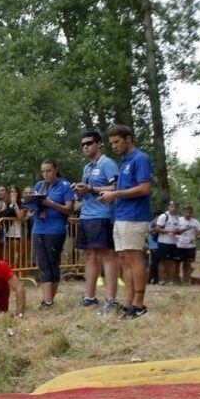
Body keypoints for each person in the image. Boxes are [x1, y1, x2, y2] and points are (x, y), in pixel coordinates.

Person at [98, 124, 152, 318]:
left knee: (134, 258)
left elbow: (145, 188)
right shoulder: (124, 161)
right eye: (111, 143)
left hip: (135, 216)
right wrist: (107, 193)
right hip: (121, 216)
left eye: (117, 142)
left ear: (128, 139)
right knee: (124, 259)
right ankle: (128, 301)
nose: (114, 146)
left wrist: (117, 194)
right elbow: (123, 188)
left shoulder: (140, 158)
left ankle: (139, 304)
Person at [71, 131, 120, 314]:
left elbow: (116, 188)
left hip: (103, 215)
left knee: (107, 255)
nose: (85, 147)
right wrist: (79, 191)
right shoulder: (87, 167)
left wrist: (91, 188)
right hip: (86, 215)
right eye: (83, 144)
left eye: (89, 143)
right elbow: (88, 191)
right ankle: (90, 297)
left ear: (99, 144)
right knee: (90, 256)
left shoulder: (107, 163)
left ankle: (111, 300)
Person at [32, 159, 75, 307]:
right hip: (38, 228)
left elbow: (69, 209)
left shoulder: (65, 185)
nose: (46, 174)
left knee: (52, 263)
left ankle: (49, 300)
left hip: (55, 229)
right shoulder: (39, 185)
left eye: (48, 170)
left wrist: (51, 204)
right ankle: (47, 301)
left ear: (55, 170)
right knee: (42, 263)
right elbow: (32, 206)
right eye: (43, 171)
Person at [176, 205, 200, 285]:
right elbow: (173, 230)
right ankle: (177, 280)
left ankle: (186, 280)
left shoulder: (195, 222)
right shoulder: (178, 220)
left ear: (192, 213)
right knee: (177, 264)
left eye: (189, 212)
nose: (188, 214)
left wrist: (196, 238)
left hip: (190, 246)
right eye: (186, 212)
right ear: (183, 212)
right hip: (179, 245)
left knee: (187, 264)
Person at [155, 201, 181, 285]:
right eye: (172, 206)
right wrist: (169, 231)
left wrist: (178, 232)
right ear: (168, 207)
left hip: (174, 242)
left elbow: (177, 229)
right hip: (163, 242)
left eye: (175, 207)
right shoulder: (164, 216)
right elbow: (157, 229)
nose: (174, 208)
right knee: (163, 261)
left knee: (172, 262)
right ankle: (161, 280)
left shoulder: (177, 217)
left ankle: (170, 281)